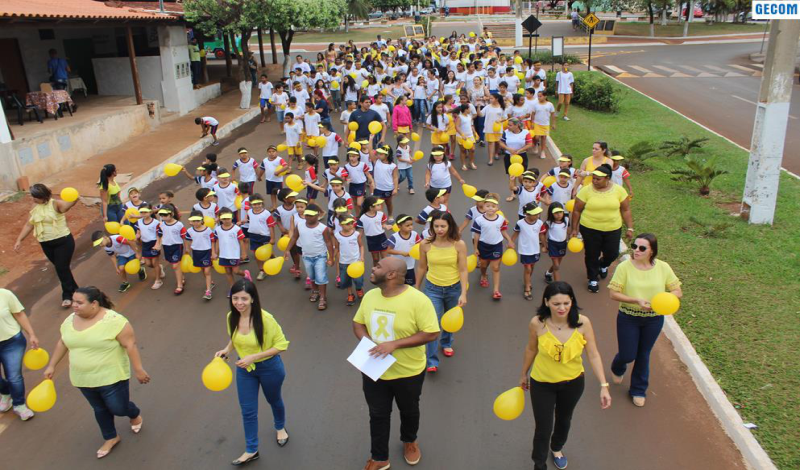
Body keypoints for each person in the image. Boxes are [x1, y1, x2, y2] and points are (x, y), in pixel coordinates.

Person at [352, 257, 440, 470]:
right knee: (377, 414)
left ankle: (409, 441)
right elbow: (358, 323)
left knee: (409, 410)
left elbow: (431, 333)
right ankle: (379, 457)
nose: (373, 268)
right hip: (374, 369)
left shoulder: (418, 300)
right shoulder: (370, 296)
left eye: (378, 266)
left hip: (408, 372)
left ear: (391, 275)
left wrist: (394, 344)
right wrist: (368, 343)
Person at [44, 286, 149, 459]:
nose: (74, 305)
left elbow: (130, 345)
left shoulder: (114, 321)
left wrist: (139, 369)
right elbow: (63, 343)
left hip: (111, 377)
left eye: (79, 302)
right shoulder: (70, 320)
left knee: (118, 408)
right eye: (73, 301)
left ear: (94, 304)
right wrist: (52, 365)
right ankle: (111, 437)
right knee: (99, 409)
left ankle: (133, 414)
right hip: (82, 378)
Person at [518, 281, 611, 470]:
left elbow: (593, 354)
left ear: (572, 301)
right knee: (543, 428)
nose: (562, 308)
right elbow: (531, 349)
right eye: (556, 304)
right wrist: (523, 374)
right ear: (546, 302)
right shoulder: (537, 323)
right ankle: (539, 464)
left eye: (566, 303)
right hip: (542, 383)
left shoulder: (583, 323)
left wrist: (604, 385)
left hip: (573, 383)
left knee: (564, 420)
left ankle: (557, 448)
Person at [214, 279, 290, 465]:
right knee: (248, 411)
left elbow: (282, 345)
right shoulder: (231, 317)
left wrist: (253, 357)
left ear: (253, 299)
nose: (239, 303)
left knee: (274, 400)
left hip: (270, 368)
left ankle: (280, 427)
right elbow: (235, 339)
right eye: (235, 298)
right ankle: (251, 449)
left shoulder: (266, 319)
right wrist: (226, 350)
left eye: (244, 299)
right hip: (245, 370)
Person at [608, 233, 682, 407]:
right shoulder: (624, 267)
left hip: (653, 319)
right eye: (634, 246)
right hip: (628, 317)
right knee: (628, 354)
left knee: (643, 354)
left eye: (642, 248)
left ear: (652, 251)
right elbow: (613, 294)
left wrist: (663, 300)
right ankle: (618, 366)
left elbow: (677, 291)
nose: (636, 250)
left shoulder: (663, 267)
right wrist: (636, 300)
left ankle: (638, 389)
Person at [415, 211, 468, 373]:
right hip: (433, 289)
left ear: (450, 226)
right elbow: (422, 267)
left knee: (449, 320)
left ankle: (446, 342)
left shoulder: (459, 244)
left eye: (443, 226)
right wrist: (416, 287)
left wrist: (463, 293)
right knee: (432, 325)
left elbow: (463, 269)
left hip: (454, 288)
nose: (439, 229)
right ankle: (431, 360)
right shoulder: (425, 244)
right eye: (436, 226)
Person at [569, 164, 633, 293]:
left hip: (613, 228)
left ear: (607, 178)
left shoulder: (619, 191)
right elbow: (576, 210)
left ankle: (603, 264)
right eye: (593, 178)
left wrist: (630, 228)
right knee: (592, 254)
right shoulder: (586, 190)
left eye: (598, 179)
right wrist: (574, 229)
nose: (594, 181)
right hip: (590, 228)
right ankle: (592, 278)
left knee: (613, 253)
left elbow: (625, 210)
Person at [13, 184, 80, 308]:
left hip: (63, 242)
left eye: (35, 197)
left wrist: (74, 199)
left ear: (43, 196)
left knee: (61, 268)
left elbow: (67, 206)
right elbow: (29, 224)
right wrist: (19, 240)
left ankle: (67, 295)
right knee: (62, 269)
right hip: (46, 243)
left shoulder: (56, 204)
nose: (33, 199)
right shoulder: (34, 206)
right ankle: (77, 290)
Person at [0, 288, 39, 421]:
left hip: (12, 342)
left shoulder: (5, 294)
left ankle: (19, 405)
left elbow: (19, 314)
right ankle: (5, 393)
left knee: (14, 376)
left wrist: (31, 334)